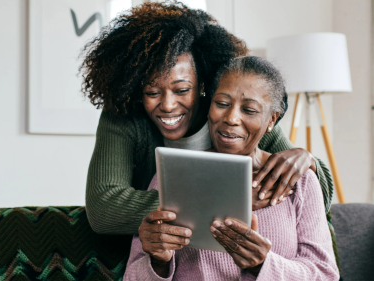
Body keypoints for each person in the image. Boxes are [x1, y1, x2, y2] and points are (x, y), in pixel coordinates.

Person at [80, 2, 336, 261]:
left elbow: (316, 195)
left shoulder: (233, 117)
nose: (168, 105)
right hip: (159, 252)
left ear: (203, 86)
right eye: (152, 92)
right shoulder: (125, 114)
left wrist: (308, 160)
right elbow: (103, 208)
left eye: (182, 90)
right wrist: (224, 199)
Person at [124, 56, 339, 280]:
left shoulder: (301, 181)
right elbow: (132, 276)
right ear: (209, 107)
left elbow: (325, 275)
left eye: (249, 110)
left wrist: (264, 265)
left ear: (272, 120)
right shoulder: (172, 174)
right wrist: (158, 262)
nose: (231, 118)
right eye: (222, 104)